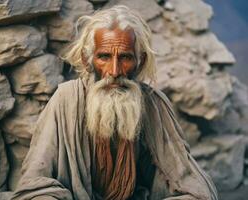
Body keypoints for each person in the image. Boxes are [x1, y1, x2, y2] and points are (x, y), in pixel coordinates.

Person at [12, 6, 218, 200]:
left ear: (141, 61)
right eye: (104, 57)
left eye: (125, 57)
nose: (115, 71)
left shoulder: (154, 105)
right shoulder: (66, 100)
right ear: (87, 60)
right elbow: (35, 184)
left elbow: (192, 185)